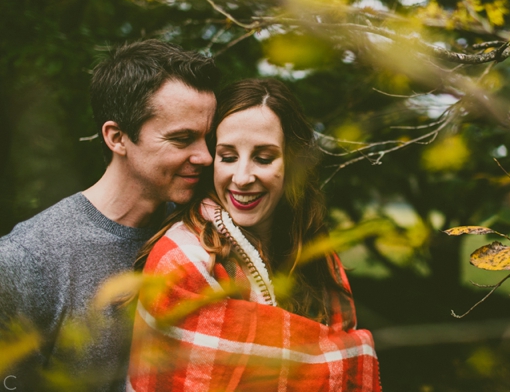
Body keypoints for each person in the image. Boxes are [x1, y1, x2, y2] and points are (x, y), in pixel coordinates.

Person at [127, 78, 381, 391]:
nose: (243, 177)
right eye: (228, 157)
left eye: (263, 158)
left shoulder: (315, 253)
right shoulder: (183, 260)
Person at [0, 40, 219, 391]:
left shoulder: (202, 235)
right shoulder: (25, 259)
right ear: (117, 137)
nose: (205, 157)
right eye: (182, 139)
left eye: (208, 139)